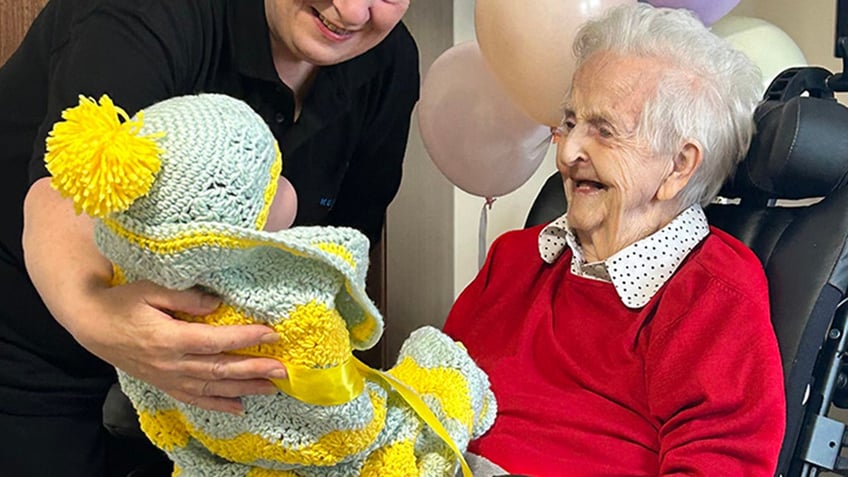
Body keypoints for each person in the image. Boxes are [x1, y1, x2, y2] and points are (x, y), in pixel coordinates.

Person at [0, 1, 418, 476]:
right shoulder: (151, 15)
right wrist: (99, 318)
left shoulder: (389, 63)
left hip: (208, 365)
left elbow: (341, 247)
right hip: (30, 324)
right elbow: (66, 194)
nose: (350, 10)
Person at [44, 91, 495, 477]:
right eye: (274, 181)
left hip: (216, 456)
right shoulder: (291, 309)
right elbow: (344, 424)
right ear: (234, 235)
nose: (289, 186)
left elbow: (160, 414)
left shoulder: (139, 299)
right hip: (329, 453)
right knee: (438, 361)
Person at [442, 3, 786, 476]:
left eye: (602, 131)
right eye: (570, 122)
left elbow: (719, 466)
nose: (568, 149)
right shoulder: (515, 258)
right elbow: (431, 390)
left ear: (679, 166)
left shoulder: (714, 296)